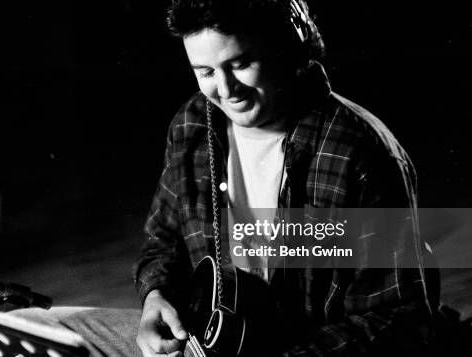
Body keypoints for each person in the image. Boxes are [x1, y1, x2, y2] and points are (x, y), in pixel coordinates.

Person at [133, 0, 440, 356]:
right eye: (205, 72)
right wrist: (155, 295)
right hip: (202, 345)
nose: (226, 89)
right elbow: (163, 241)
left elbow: (399, 315)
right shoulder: (192, 124)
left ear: (287, 48)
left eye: (241, 64)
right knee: (58, 329)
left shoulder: (358, 153)